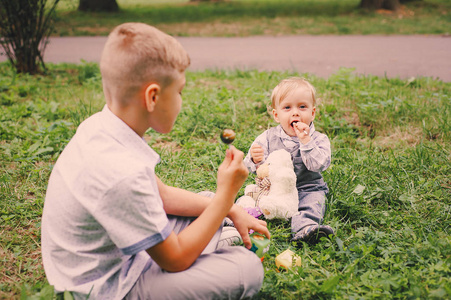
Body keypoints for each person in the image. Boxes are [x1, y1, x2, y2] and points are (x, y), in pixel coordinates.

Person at [41, 22, 270, 300]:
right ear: (152, 97)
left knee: (206, 202)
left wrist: (230, 209)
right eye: (180, 92)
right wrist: (226, 195)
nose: (182, 100)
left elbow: (161, 195)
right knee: (246, 270)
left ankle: (216, 235)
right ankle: (216, 245)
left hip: (123, 249)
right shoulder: (120, 173)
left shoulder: (103, 126)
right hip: (110, 285)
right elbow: (174, 259)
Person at [243, 77, 334, 246]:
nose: (295, 113)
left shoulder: (319, 139)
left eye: (302, 107)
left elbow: (318, 165)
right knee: (253, 196)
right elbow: (254, 169)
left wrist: (306, 142)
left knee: (313, 203)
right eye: (287, 107)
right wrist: (256, 160)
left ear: (312, 112)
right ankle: (239, 219)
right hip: (275, 188)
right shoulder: (268, 138)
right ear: (277, 115)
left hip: (308, 187)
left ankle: (305, 228)